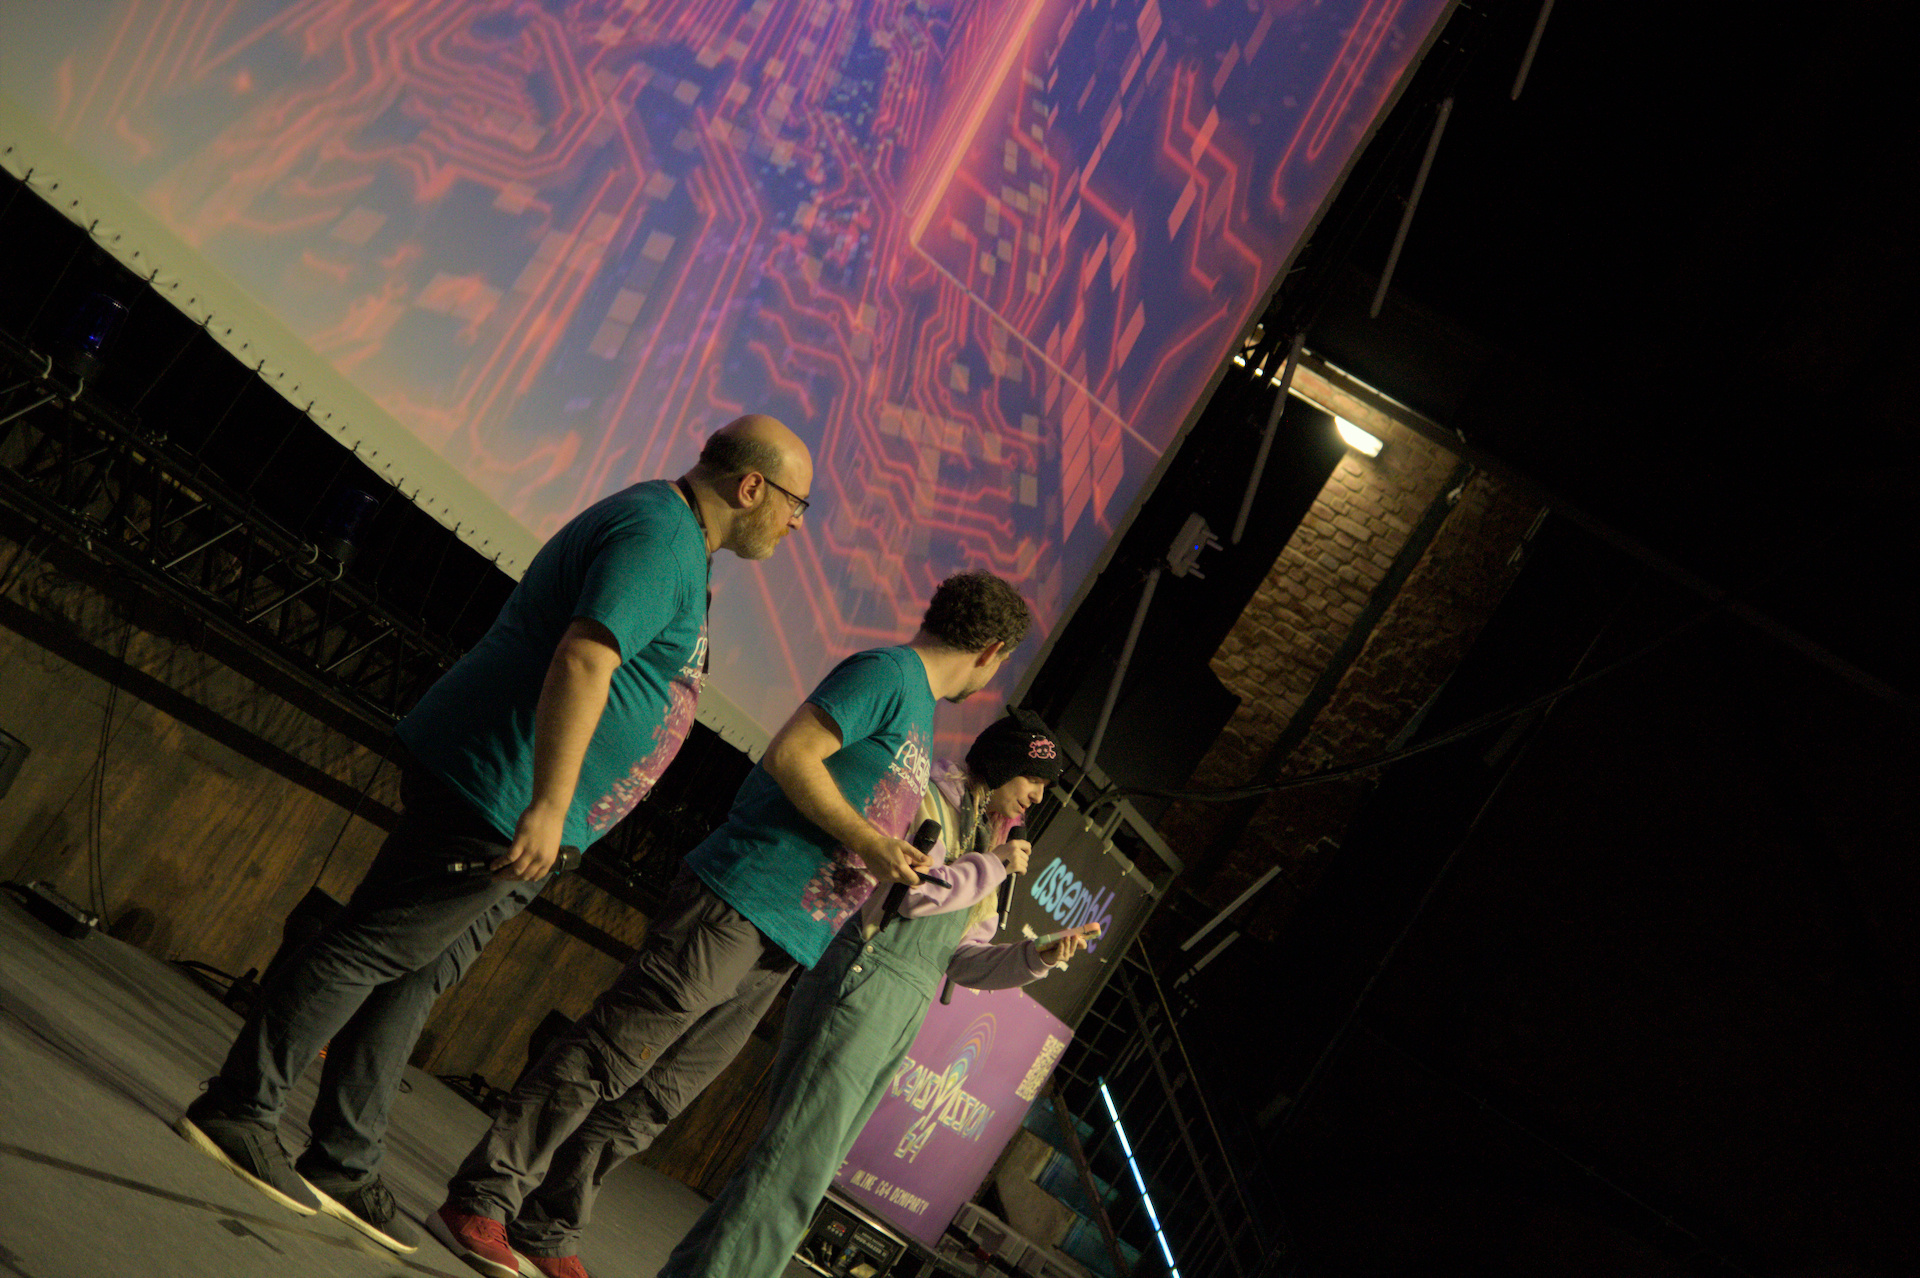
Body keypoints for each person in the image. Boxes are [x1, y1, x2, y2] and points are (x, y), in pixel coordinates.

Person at [174, 415, 813, 1255]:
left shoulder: (680, 545)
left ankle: (344, 1158)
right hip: (497, 790)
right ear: (752, 486)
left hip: (517, 804)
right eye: (797, 504)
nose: (797, 524)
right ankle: (238, 1107)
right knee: (371, 946)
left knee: (416, 974)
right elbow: (585, 659)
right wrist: (548, 803)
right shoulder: (659, 536)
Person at [429, 573, 1033, 1278]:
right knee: (611, 1054)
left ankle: (549, 1225)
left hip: (790, 934)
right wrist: (871, 842)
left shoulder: (919, 712)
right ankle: (481, 1197)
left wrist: (886, 854)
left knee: (660, 1095)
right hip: (741, 896)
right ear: (991, 651)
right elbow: (790, 756)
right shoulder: (887, 674)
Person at [657, 709, 1097, 1278]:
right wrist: (990, 866)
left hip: (905, 1001)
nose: (1037, 797)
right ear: (1006, 763)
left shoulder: (986, 837)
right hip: (864, 977)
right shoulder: (933, 800)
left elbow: (961, 958)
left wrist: (1037, 956)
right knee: (794, 1163)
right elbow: (914, 895)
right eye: (1034, 780)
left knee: (806, 1166)